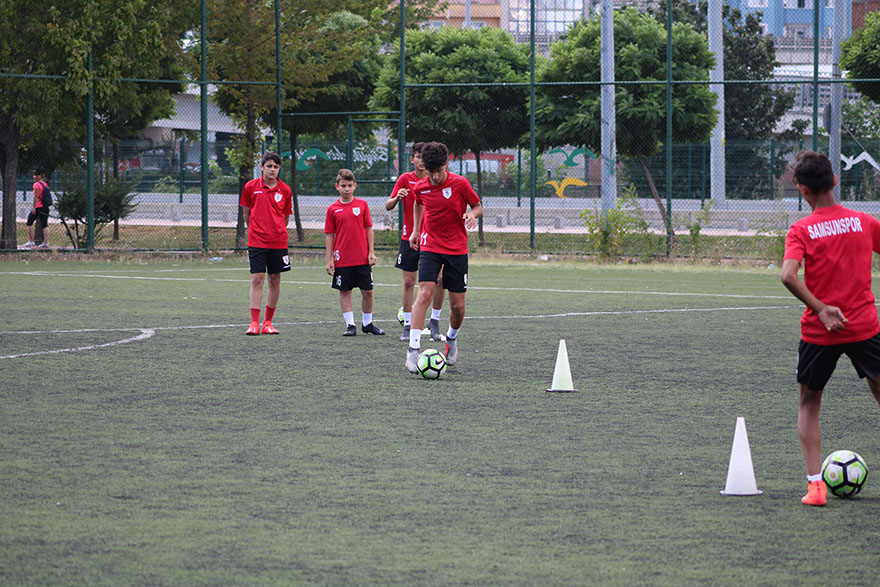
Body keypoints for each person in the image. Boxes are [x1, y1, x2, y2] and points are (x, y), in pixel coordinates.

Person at [781, 150, 880, 507]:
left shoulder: (802, 229)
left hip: (820, 332)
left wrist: (821, 309)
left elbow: (787, 276)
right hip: (865, 327)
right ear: (835, 181)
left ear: (803, 191)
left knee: (809, 402)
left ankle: (816, 489)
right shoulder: (864, 222)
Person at [405, 142, 482, 373]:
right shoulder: (421, 187)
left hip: (457, 250)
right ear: (425, 168)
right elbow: (418, 204)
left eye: (439, 170)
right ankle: (413, 349)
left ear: (446, 164)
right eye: (431, 171)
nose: (436, 176)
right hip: (431, 246)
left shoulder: (460, 184)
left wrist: (471, 214)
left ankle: (451, 339)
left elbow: (478, 206)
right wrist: (417, 230)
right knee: (425, 293)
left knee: (458, 307)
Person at [385, 142, 447, 342]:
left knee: (439, 279)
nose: (421, 161)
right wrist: (396, 198)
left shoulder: (437, 179)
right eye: (417, 157)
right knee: (409, 281)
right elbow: (388, 205)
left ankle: (435, 321)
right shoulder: (405, 179)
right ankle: (408, 324)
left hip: (433, 238)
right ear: (412, 159)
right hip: (409, 237)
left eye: (424, 157)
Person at [325, 168, 385, 337]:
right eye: (343, 185)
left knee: (368, 291)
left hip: (362, 258)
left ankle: (368, 324)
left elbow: (369, 229)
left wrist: (371, 252)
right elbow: (330, 235)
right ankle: (350, 325)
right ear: (337, 186)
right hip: (342, 258)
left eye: (349, 185)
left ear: (355, 186)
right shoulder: (332, 209)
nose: (346, 189)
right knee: (345, 291)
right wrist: (328, 260)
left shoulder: (362, 205)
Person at [240, 151, 292, 336]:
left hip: (278, 242)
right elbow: (247, 214)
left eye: (276, 167)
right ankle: (254, 323)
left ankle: (268, 323)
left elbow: (285, 217)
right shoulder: (250, 187)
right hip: (257, 241)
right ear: (261, 167)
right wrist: (256, 230)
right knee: (257, 278)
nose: (272, 169)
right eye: (269, 166)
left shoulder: (285, 190)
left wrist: (276, 231)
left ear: (279, 169)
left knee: (275, 279)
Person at [23, 170, 51, 249]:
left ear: (39, 176)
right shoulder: (45, 184)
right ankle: (46, 242)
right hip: (45, 207)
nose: (34, 177)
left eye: (35, 175)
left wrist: (34, 207)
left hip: (38, 207)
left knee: (29, 223)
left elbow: (36, 196)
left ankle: (31, 241)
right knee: (45, 225)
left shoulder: (36, 185)